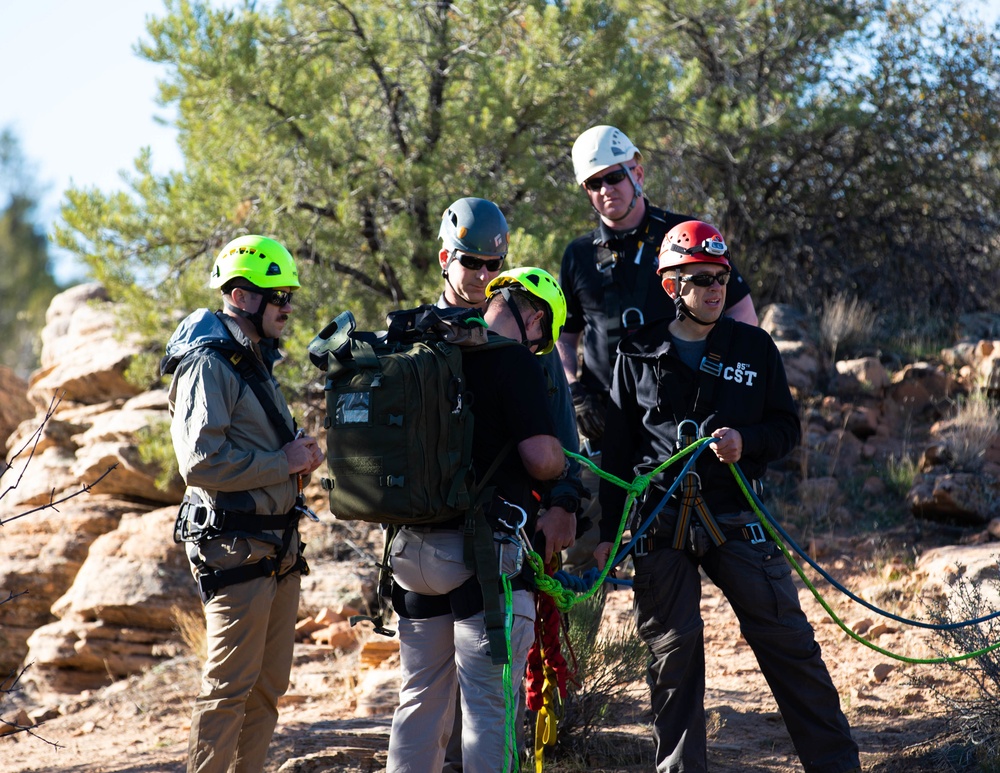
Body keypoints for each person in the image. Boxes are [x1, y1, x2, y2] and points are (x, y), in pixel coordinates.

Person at [595, 220, 861, 773]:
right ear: (673, 287)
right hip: (659, 520)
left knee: (788, 641)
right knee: (674, 652)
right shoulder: (637, 351)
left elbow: (787, 430)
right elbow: (617, 455)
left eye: (722, 277)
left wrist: (748, 443)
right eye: (701, 279)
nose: (716, 288)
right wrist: (605, 534)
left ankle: (836, 765)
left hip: (735, 514)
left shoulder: (754, 347)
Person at [385, 259, 569, 773]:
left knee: (419, 697)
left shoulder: (434, 352)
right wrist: (558, 461)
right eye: (542, 336)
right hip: (481, 559)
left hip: (412, 553)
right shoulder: (515, 362)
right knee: (489, 707)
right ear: (535, 320)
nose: (538, 346)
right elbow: (542, 459)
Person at [161, 234, 325, 773]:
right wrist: (285, 461)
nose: (288, 306)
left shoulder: (252, 360)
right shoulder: (210, 363)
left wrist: (295, 459)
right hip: (234, 545)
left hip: (274, 543)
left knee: (266, 689)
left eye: (288, 296)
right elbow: (200, 463)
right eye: (278, 295)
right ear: (240, 294)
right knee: (227, 689)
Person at [558, 125, 758, 560]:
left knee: (714, 553)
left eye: (615, 176)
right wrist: (574, 391)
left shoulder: (684, 236)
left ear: (638, 173)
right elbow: (564, 335)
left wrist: (729, 390)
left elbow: (742, 314)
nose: (606, 189)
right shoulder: (578, 255)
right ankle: (588, 626)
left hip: (679, 427)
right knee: (585, 555)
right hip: (603, 425)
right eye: (594, 182)